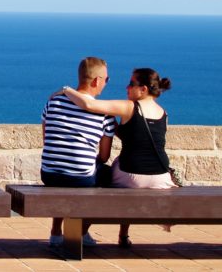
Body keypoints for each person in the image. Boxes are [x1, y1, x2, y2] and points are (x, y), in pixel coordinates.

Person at [62, 67, 174, 248]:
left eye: (131, 84)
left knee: (100, 178)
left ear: (143, 89)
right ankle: (123, 235)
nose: (127, 87)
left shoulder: (129, 106)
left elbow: (89, 105)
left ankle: (81, 231)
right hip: (161, 177)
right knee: (124, 178)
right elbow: (139, 137)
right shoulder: (163, 113)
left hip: (132, 174)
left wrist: (67, 90)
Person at [41, 57, 116, 247]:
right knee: (108, 176)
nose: (106, 83)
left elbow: (46, 137)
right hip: (81, 177)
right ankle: (81, 232)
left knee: (64, 176)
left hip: (49, 173)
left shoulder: (54, 101)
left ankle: (56, 232)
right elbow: (105, 156)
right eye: (106, 79)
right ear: (97, 81)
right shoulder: (104, 113)